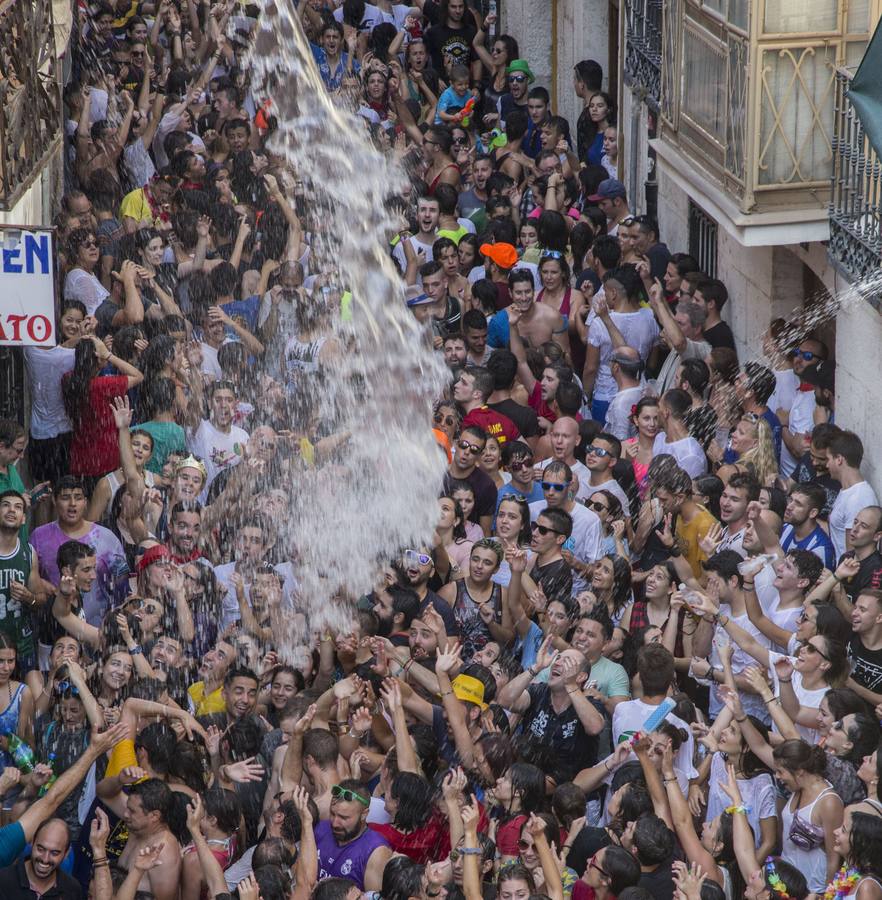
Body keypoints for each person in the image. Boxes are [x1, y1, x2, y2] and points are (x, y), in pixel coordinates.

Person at [827, 431, 879, 562]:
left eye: (828, 459)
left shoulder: (858, 498)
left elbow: (853, 553)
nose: (826, 465)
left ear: (839, 459)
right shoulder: (847, 491)